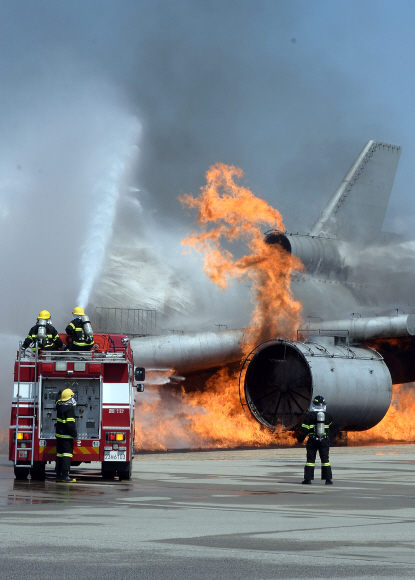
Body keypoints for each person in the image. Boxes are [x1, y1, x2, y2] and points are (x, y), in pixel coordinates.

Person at [297, 394, 333, 485]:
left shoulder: (309, 416)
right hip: (324, 441)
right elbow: (330, 428)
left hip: (312, 441)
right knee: (325, 460)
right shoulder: (328, 416)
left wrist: (300, 439)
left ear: (313, 405)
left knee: (310, 460)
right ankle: (328, 479)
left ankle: (308, 479)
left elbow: (304, 430)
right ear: (324, 405)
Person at [55, 387, 77, 483]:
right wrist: (74, 434)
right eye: (72, 396)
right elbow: (70, 424)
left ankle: (59, 475)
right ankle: (65, 475)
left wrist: (58, 395)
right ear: (69, 398)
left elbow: (57, 402)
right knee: (67, 455)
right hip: (67, 436)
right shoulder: (69, 409)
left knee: (59, 455)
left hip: (59, 435)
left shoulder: (59, 407)